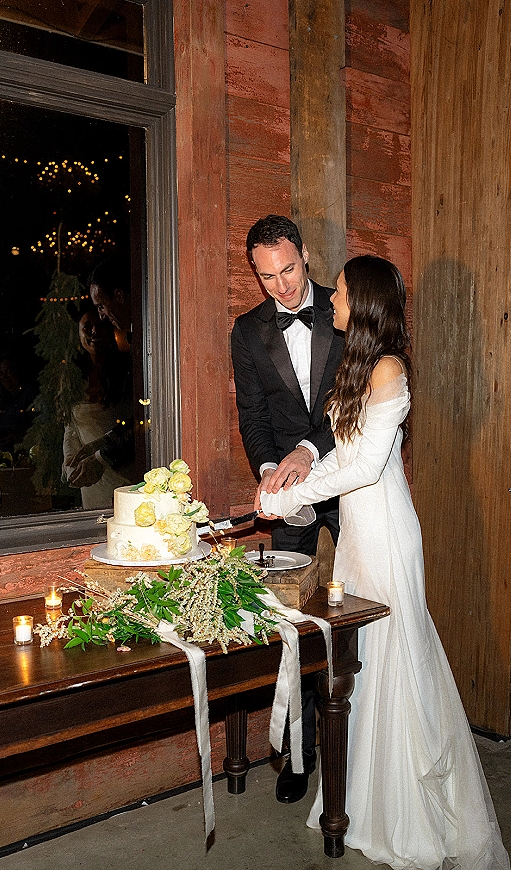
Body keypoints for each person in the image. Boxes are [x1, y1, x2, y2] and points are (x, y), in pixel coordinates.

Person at [260, 256, 510, 870]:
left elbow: (366, 466)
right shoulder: (357, 365)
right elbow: (335, 458)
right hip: (357, 539)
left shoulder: (390, 369)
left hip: (389, 535)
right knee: (359, 668)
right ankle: (362, 805)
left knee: (397, 662)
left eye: (340, 292)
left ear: (363, 303)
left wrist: (291, 496)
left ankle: (410, 815)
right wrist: (287, 483)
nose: (332, 300)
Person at [231, 214, 344, 804]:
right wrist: (269, 469)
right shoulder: (247, 332)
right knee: (291, 624)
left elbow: (355, 405)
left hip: (349, 480)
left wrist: (306, 450)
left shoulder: (344, 309)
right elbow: (253, 416)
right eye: (267, 277)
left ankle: (359, 744)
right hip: (290, 492)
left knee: (362, 614)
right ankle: (298, 755)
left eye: (290, 270)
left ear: (304, 254)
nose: (282, 287)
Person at [63, 307, 131, 507]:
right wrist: (70, 463)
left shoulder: (127, 373)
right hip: (88, 474)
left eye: (100, 326)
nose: (93, 332)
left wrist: (99, 453)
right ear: (78, 331)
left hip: (121, 467)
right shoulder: (74, 378)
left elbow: (135, 423)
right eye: (87, 326)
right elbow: (70, 427)